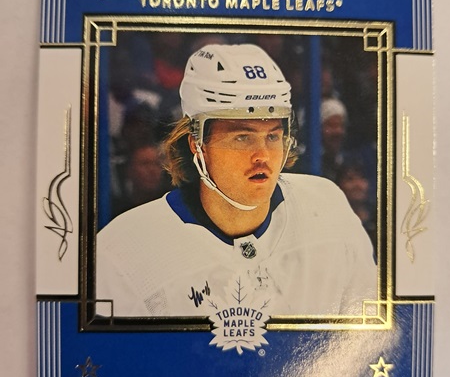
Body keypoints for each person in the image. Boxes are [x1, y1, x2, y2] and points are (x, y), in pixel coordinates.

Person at [96, 44, 377, 318]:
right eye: (242, 137)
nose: (262, 155)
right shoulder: (123, 252)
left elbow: (372, 332)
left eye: (272, 136)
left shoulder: (328, 208)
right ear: (197, 144)